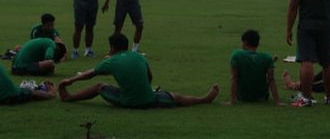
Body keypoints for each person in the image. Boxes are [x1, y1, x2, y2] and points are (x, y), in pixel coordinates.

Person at [58, 33, 219, 108]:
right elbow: (150, 76)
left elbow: (89, 74)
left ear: (112, 48)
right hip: (150, 98)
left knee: (99, 86)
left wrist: (70, 80)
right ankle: (204, 99)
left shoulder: (111, 61)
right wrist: (147, 89)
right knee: (175, 96)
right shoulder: (138, 56)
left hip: (129, 102)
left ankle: (69, 98)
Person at [228, 29, 281, 105]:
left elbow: (234, 77)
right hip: (262, 97)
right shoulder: (266, 57)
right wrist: (277, 101)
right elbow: (271, 80)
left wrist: (232, 101)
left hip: (242, 97)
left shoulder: (236, 55)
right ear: (258, 43)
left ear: (245, 42)